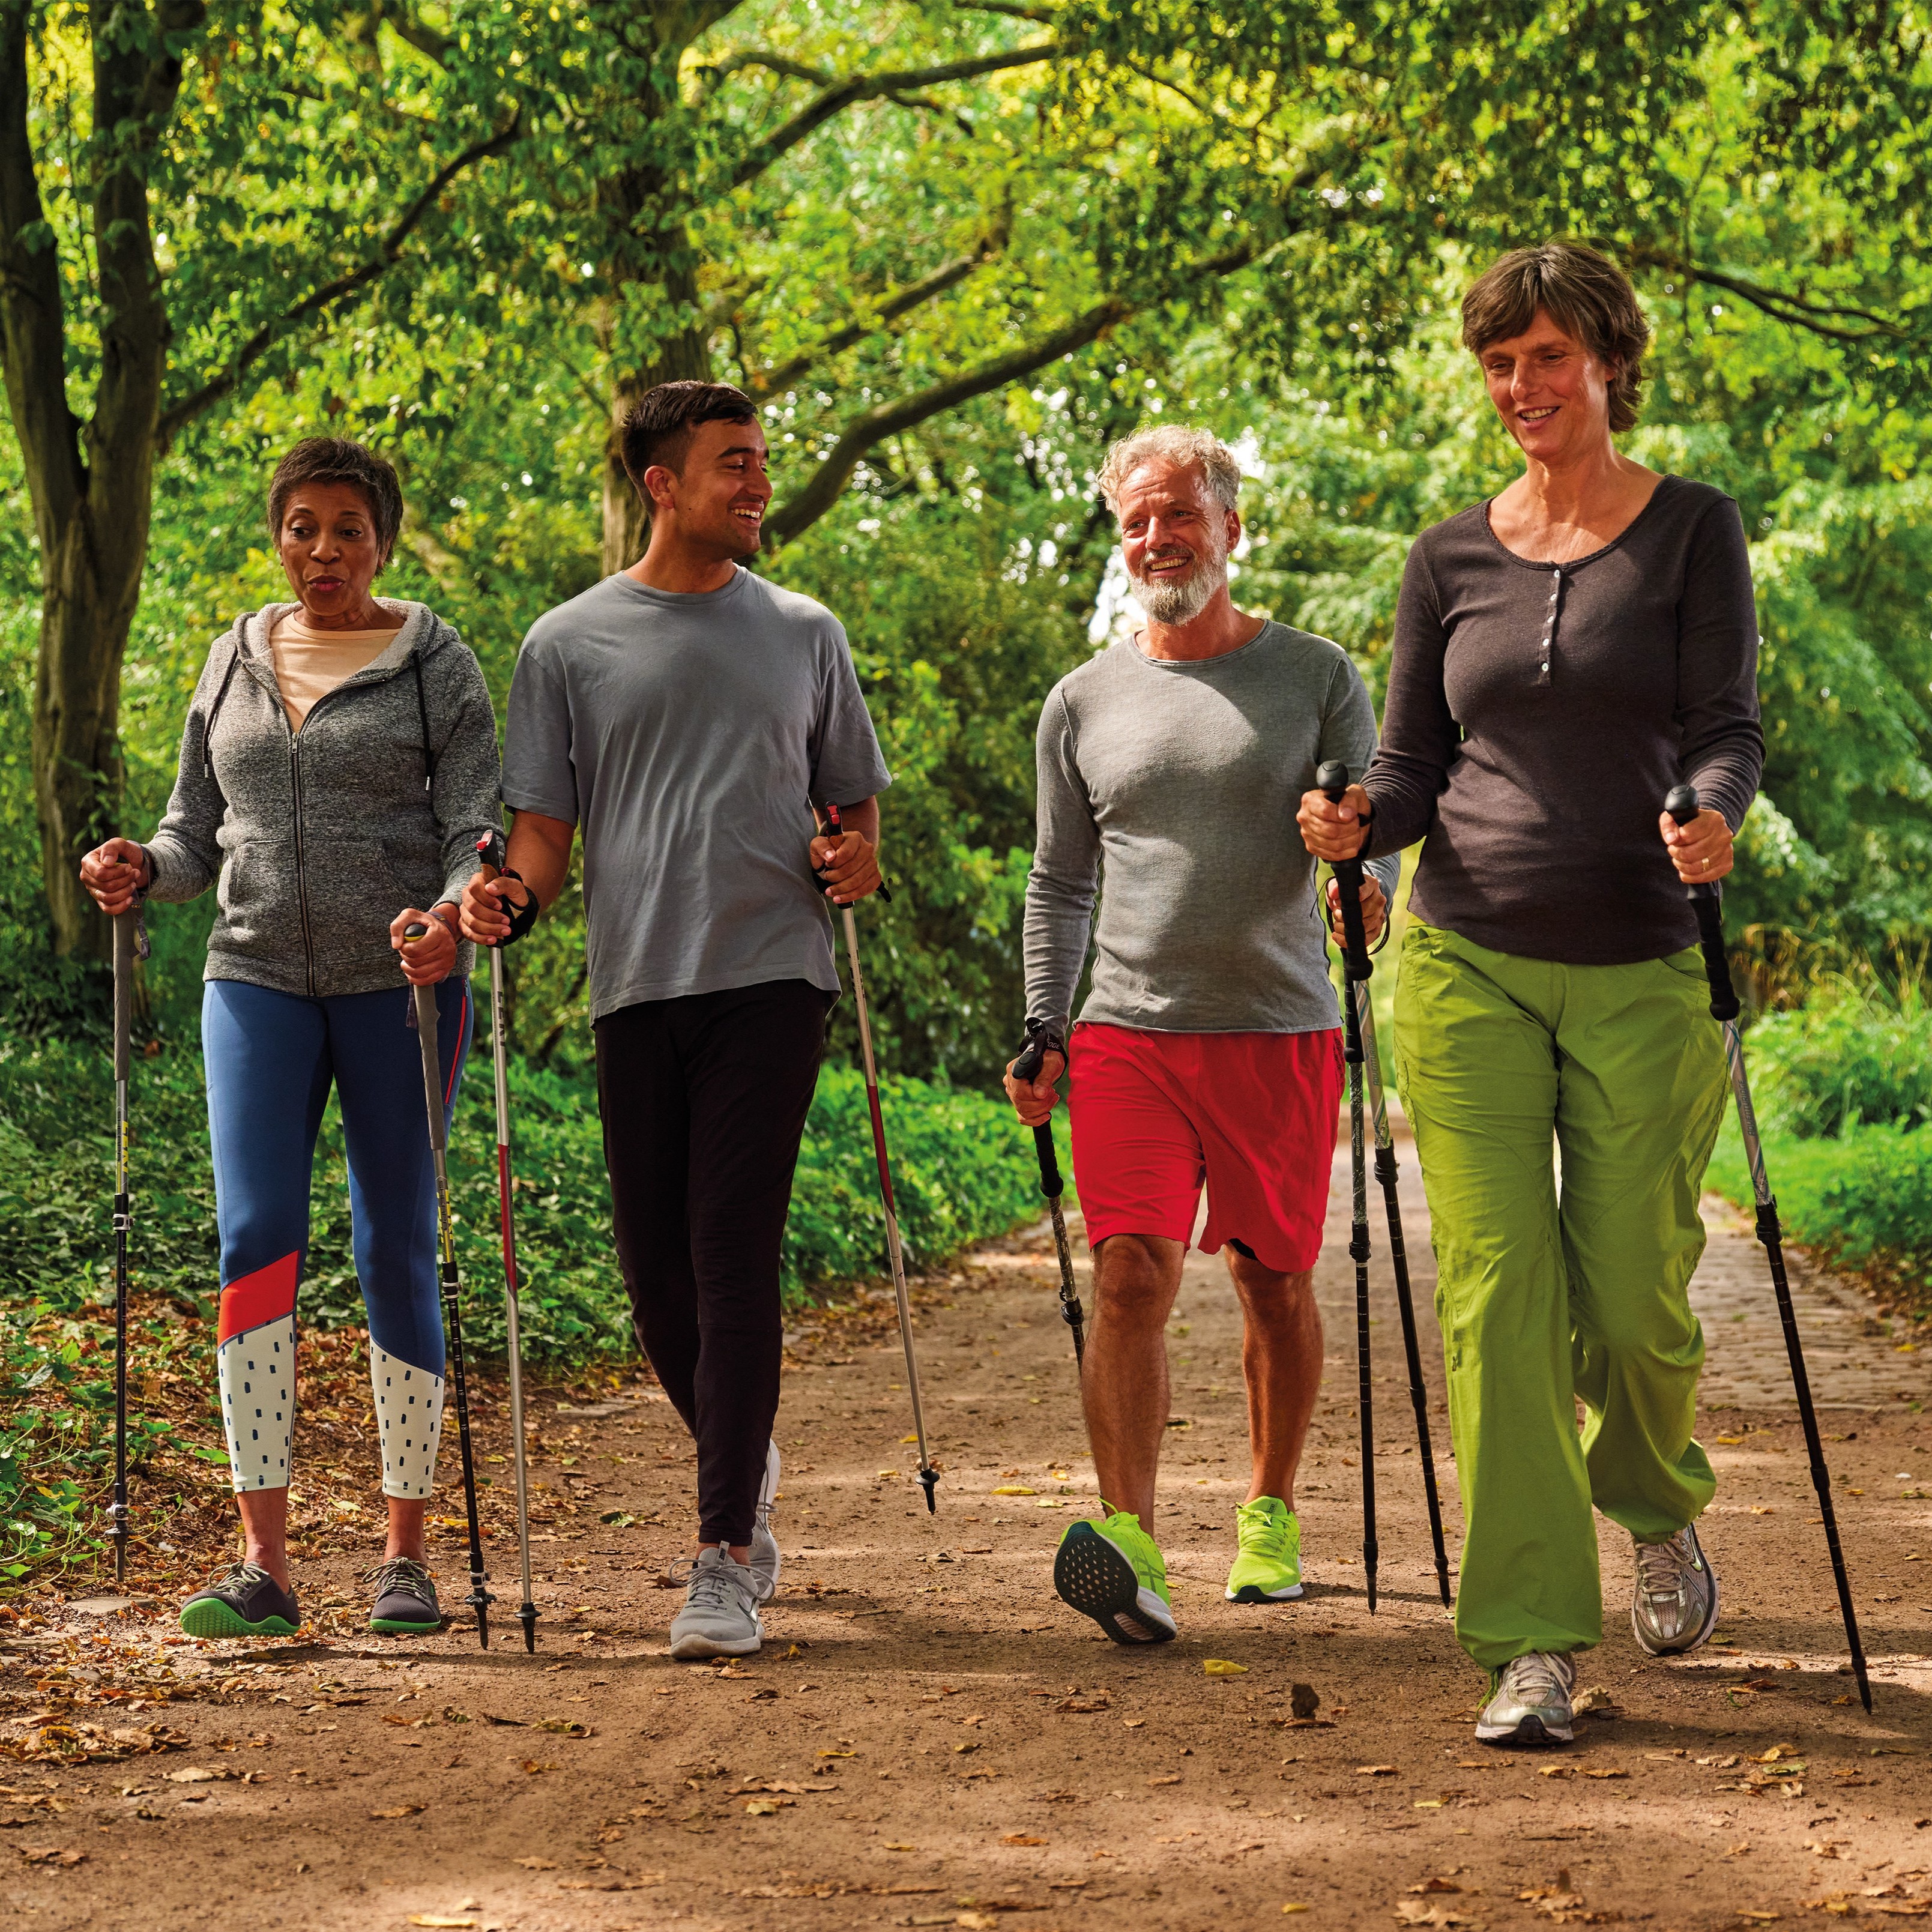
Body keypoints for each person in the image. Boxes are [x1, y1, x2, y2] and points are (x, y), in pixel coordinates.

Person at [1300, 241, 1763, 1747]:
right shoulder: (1448, 557)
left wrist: (1709, 804)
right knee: (1497, 1296)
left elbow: (1724, 728)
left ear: (1608, 360)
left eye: (1547, 358)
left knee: (1630, 1296)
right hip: (1468, 957)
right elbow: (1415, 764)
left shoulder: (1692, 530)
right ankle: (1531, 1639)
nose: (1520, 388)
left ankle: (1652, 1500)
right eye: (1499, 364)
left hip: (1641, 960)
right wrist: (1358, 822)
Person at [460, 379, 889, 1663]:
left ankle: (722, 1557)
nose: (758, 483)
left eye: (761, 461)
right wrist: (507, 901)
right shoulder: (568, 643)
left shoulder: (805, 631)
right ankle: (740, 1468)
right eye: (733, 464)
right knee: (655, 1274)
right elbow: (543, 835)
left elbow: (854, 812)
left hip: (773, 971)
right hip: (635, 981)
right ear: (661, 483)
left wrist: (854, 863)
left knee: (726, 1244)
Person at [79, 437, 503, 1640]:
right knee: (257, 1233)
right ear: (279, 536)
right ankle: (262, 1560)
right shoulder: (231, 657)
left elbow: (475, 822)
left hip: (399, 984)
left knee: (393, 1244)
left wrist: (446, 918)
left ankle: (404, 1557)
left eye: (346, 531)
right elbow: (191, 830)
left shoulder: (435, 662)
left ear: (384, 541)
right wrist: (137, 868)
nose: (321, 551)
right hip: (254, 975)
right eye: (302, 528)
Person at [1006, 424, 1399, 1646]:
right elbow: (1059, 881)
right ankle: (1127, 1538)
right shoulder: (1081, 700)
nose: (1155, 539)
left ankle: (1270, 1509)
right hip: (1127, 1028)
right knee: (1129, 1271)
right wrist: (1043, 1019)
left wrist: (1368, 880)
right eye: (1135, 521)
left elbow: (1364, 825)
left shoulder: (1317, 673)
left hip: (1276, 1025)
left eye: (1178, 514)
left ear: (1230, 527)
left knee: (1272, 1282)